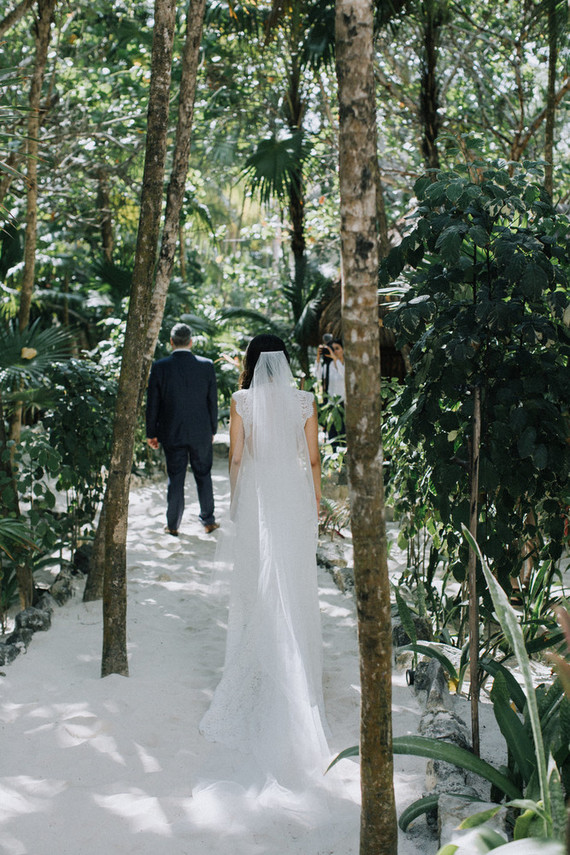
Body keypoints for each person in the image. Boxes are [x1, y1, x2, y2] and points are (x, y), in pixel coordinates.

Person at [199, 334, 329, 785]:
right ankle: (300, 678)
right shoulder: (305, 402)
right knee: (293, 580)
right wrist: (316, 502)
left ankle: (256, 675)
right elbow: (312, 460)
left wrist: (237, 499)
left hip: (257, 494)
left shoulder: (241, 400)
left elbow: (235, 456)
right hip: (292, 493)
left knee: (255, 580)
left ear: (252, 362)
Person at [146, 322, 219, 535]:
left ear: (171, 342)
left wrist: (151, 433)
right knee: (203, 475)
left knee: (175, 477)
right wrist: (212, 430)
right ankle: (208, 520)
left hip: (171, 432)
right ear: (191, 342)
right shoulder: (206, 366)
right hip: (201, 432)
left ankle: (173, 525)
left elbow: (153, 404)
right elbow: (212, 402)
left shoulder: (160, 367)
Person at [315, 336, 345, 446]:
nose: (334, 351)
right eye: (332, 349)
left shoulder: (348, 364)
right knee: (333, 435)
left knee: (345, 434)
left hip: (345, 405)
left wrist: (335, 359)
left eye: (337, 348)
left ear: (343, 349)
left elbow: (345, 376)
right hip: (331, 405)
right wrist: (318, 358)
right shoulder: (329, 365)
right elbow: (317, 376)